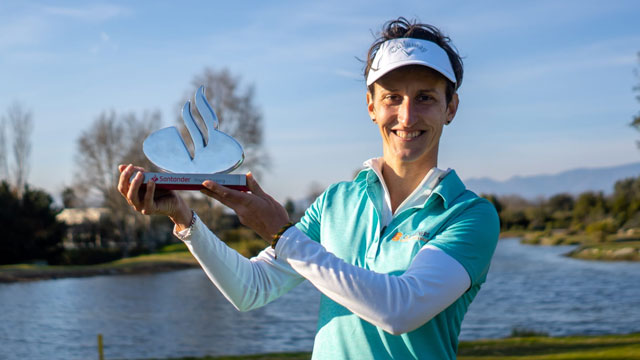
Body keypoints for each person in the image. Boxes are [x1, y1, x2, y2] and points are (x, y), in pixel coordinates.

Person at [118, 17, 499, 360]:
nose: (407, 116)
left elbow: (400, 310)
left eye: (426, 98)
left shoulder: (469, 215)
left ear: (451, 108)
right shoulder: (337, 201)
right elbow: (252, 288)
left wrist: (280, 233)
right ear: (371, 106)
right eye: (392, 98)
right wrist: (185, 221)